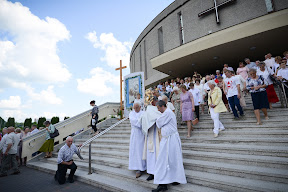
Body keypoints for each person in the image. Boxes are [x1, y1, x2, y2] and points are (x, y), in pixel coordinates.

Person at [152, 100, 187, 192]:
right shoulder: (167, 112)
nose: (158, 110)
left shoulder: (167, 113)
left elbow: (159, 123)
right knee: (172, 160)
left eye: (158, 108)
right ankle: (174, 179)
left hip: (170, 140)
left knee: (163, 160)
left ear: (162, 106)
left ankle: (163, 184)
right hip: (169, 139)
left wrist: (156, 118)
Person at [139, 96, 162, 181]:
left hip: (156, 134)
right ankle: (151, 172)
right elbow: (142, 119)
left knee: (156, 154)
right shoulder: (149, 109)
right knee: (150, 155)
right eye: (155, 101)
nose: (156, 103)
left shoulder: (156, 110)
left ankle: (157, 172)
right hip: (150, 134)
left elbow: (158, 118)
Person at [128, 103, 146, 178]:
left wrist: (140, 121)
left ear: (140, 107)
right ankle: (137, 167)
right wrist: (140, 121)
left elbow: (143, 121)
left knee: (141, 150)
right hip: (135, 133)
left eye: (137, 107)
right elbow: (134, 121)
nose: (136, 109)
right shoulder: (131, 113)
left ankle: (143, 166)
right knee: (135, 150)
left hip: (141, 133)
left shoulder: (143, 113)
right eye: (134, 108)